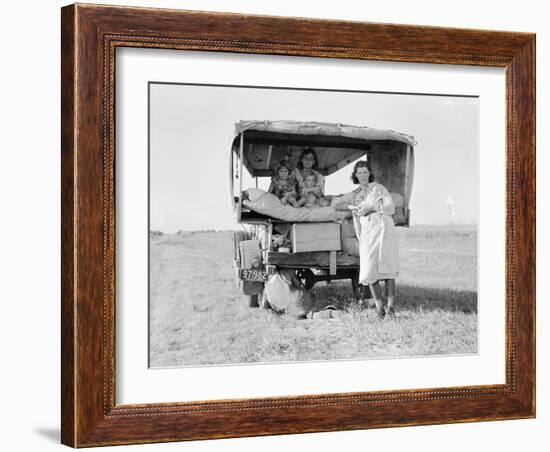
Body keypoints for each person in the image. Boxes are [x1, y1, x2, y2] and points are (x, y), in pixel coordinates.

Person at [345, 160, 399, 320]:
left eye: (365, 172)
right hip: (368, 232)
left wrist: (374, 208)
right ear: (355, 175)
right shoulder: (355, 195)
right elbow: (357, 218)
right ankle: (379, 309)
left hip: (383, 229)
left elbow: (390, 207)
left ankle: (391, 309)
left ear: (369, 173)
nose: (362, 175)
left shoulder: (379, 189)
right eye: (359, 173)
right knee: (369, 270)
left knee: (388, 266)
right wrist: (360, 236)